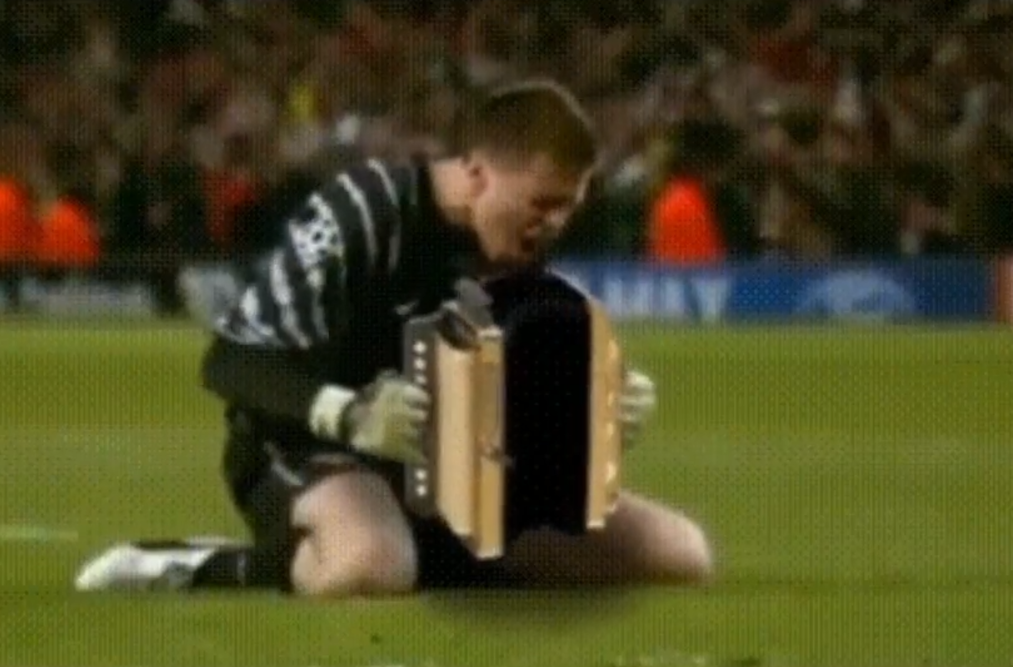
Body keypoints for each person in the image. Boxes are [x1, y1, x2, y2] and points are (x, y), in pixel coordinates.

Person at [75, 80, 714, 597]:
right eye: (540, 205)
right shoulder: (365, 210)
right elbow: (232, 360)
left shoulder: (514, 249)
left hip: (438, 466)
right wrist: (348, 414)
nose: (552, 226)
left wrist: (593, 409)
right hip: (304, 446)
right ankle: (197, 566)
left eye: (566, 208)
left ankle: (423, 554)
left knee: (679, 554)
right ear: (477, 173)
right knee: (368, 566)